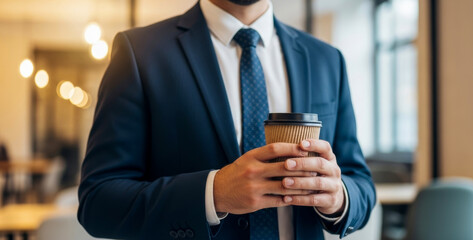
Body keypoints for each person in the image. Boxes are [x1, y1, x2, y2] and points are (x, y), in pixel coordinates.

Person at [78, 0, 376, 239]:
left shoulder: (327, 59)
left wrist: (339, 197)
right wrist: (214, 192)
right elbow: (98, 201)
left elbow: (360, 183)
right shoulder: (140, 53)